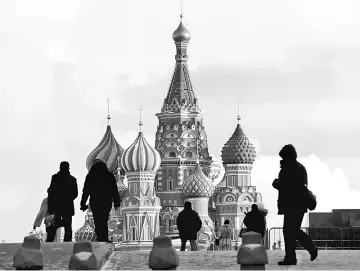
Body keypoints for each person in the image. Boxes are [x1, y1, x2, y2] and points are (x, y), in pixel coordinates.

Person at [272, 144, 318, 265]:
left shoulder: (288, 168)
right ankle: (302, 252)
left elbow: (287, 186)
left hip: (290, 204)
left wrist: (276, 183)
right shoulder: (300, 167)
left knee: (289, 232)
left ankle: (296, 255)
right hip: (299, 205)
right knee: (292, 231)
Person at [80, 159, 120, 242]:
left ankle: (100, 238)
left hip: (95, 202)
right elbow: (114, 191)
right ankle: (104, 239)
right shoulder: (109, 175)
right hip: (106, 202)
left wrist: (83, 204)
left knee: (97, 221)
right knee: (104, 220)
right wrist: (117, 203)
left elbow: (86, 191)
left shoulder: (90, 176)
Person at [47, 161, 78, 242]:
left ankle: (49, 242)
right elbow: (75, 194)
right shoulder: (72, 179)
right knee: (68, 227)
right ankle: (67, 243)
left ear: (60, 168)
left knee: (54, 225)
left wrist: (50, 207)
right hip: (68, 207)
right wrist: (68, 199)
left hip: (56, 207)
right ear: (68, 168)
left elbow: (51, 192)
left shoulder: (55, 178)